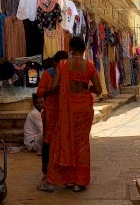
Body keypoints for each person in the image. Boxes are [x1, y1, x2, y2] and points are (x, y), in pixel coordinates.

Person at [40, 36, 102, 193]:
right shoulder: (89, 67)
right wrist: (88, 89)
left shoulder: (63, 65)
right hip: (84, 108)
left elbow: (54, 87)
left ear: (71, 48)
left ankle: (66, 178)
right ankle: (78, 182)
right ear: (83, 50)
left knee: (65, 141)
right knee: (81, 144)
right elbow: (99, 89)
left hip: (67, 108)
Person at [37, 51, 68, 180]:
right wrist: (51, 90)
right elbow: (39, 92)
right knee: (48, 141)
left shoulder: (67, 73)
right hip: (51, 112)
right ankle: (46, 169)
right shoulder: (48, 74)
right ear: (56, 63)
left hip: (64, 112)